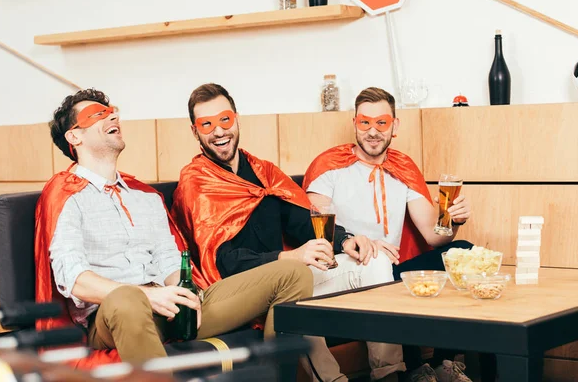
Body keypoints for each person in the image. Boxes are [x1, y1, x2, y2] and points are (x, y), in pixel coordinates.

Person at [36, 89, 314, 367]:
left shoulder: (144, 196)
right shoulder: (65, 194)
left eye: (111, 111)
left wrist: (184, 292)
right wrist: (149, 295)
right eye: (98, 114)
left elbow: (168, 258)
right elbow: (74, 278)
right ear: (74, 137)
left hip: (169, 306)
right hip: (117, 313)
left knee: (293, 273)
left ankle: (277, 376)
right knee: (127, 299)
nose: (113, 116)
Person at [171, 83, 405, 382]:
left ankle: (389, 374)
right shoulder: (196, 183)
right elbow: (223, 262)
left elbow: (302, 220)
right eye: (207, 124)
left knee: (375, 261)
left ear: (237, 119)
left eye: (224, 120)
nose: (218, 132)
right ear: (195, 132)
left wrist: (345, 240)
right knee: (297, 281)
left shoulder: (262, 171)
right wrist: (289, 257)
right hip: (241, 293)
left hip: (291, 272)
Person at [303, 87, 474, 382]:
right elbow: (318, 227)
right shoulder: (328, 168)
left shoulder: (402, 167)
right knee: (378, 264)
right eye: (364, 123)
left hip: (393, 269)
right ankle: (404, 372)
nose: (372, 131)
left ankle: (441, 363)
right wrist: (359, 242)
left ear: (394, 125)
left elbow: (434, 237)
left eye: (381, 123)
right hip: (353, 270)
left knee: (462, 251)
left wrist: (452, 220)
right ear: (354, 123)